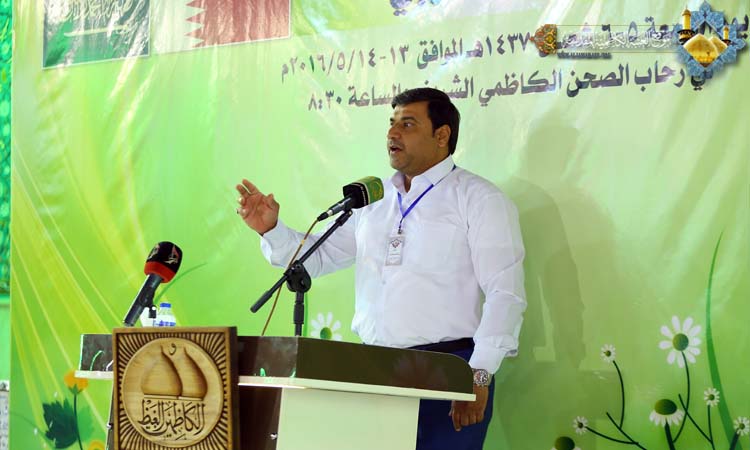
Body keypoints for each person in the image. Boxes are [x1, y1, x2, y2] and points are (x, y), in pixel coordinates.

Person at [236, 88, 526, 450]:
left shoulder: (479, 199)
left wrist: (479, 374)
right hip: (372, 370)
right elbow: (319, 257)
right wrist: (271, 229)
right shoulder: (374, 201)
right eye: (392, 123)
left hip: (449, 371)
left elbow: (505, 293)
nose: (392, 133)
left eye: (407, 124)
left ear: (442, 135)